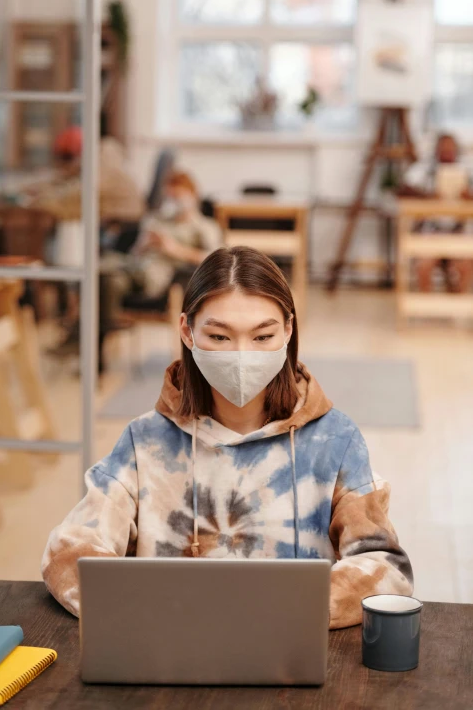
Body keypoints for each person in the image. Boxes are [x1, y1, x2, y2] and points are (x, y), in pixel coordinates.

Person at [42, 246, 413, 629]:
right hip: (168, 660)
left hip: (292, 661)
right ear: (187, 331)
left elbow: (386, 570)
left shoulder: (335, 440)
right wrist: (154, 610)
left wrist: (273, 611)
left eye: (262, 336)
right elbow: (68, 552)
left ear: (288, 330)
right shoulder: (146, 441)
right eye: (219, 337)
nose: (241, 355)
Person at [98, 169, 222, 330]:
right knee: (108, 278)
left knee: (109, 272)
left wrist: (174, 249)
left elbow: (215, 258)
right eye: (170, 197)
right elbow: (134, 253)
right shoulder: (157, 220)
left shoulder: (204, 227)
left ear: (192, 195)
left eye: (177, 197)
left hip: (157, 276)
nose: (174, 202)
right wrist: (144, 244)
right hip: (132, 268)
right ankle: (97, 333)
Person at [401, 133, 473, 293]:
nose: (447, 152)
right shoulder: (424, 169)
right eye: (443, 149)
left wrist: (468, 197)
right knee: (423, 265)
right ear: (436, 150)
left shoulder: (467, 169)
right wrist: (428, 197)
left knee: (466, 265)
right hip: (430, 231)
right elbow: (403, 189)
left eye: (450, 149)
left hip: (458, 232)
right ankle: (428, 312)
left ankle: (456, 308)